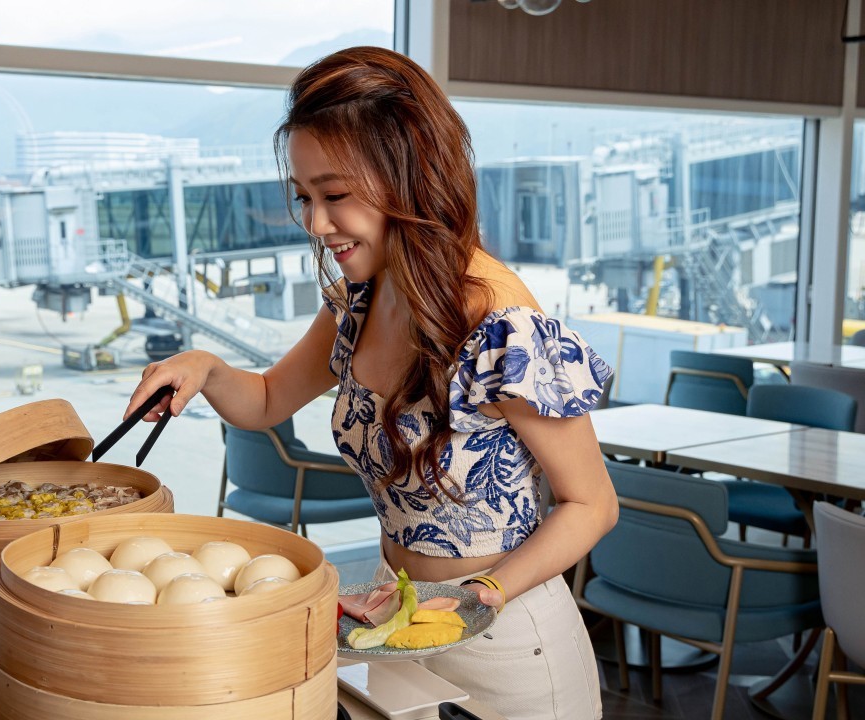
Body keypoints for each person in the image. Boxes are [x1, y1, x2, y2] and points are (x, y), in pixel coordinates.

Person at [124, 46, 617, 720]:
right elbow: (266, 401)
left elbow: (592, 504)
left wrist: (483, 596)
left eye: (335, 196)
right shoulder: (361, 299)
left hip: (507, 638)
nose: (316, 225)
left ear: (409, 178)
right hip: (394, 613)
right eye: (304, 197)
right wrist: (205, 368)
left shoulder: (504, 328)